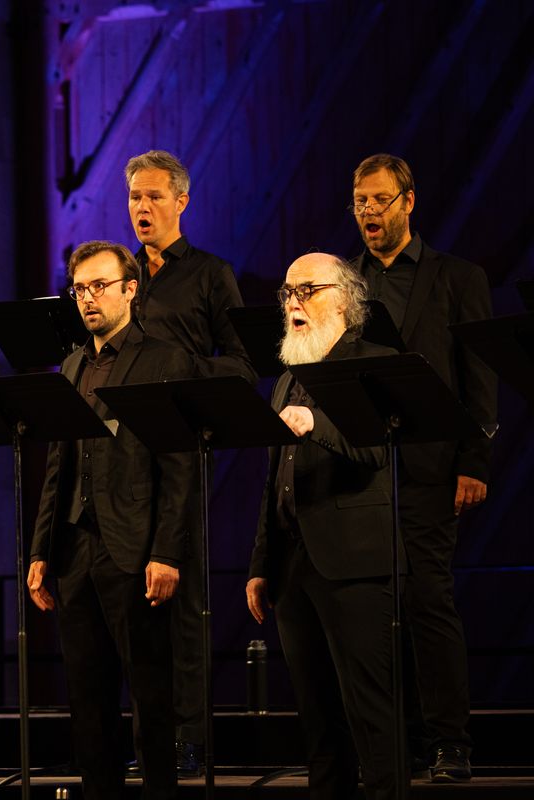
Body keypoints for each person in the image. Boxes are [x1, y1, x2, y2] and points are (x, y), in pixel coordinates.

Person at [347, 154, 496, 782]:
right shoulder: (342, 280)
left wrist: (474, 460)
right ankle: (391, 744)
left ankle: (450, 742)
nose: (368, 214)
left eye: (380, 201)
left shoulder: (458, 278)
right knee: (373, 610)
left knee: (429, 599)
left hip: (432, 466)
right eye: (359, 203)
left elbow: (479, 379)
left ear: (409, 201)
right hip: (360, 472)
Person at [28, 240, 193, 800]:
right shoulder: (72, 364)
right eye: (80, 288)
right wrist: (40, 550)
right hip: (76, 548)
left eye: (100, 286)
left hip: (136, 547)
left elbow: (179, 467)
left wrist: (167, 551)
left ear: (130, 289)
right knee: (88, 695)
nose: (89, 298)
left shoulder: (165, 358)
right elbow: (58, 465)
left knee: (149, 693)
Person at [246, 252, 400, 799]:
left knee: (372, 714)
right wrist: (260, 565)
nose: (294, 303)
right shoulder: (286, 378)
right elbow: (274, 482)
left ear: (346, 298)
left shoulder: (373, 362)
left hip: (353, 562)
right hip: (294, 567)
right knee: (317, 720)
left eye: (307, 290)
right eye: (288, 293)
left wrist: (318, 424)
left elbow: (378, 450)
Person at [124, 149, 255, 774]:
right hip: (121, 456)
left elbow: (243, 362)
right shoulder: (119, 276)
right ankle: (148, 743)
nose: (142, 208)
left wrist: (178, 371)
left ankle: (190, 737)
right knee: (129, 605)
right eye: (134, 198)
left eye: (153, 197)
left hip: (177, 446)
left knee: (183, 601)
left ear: (182, 202)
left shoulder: (210, 274)